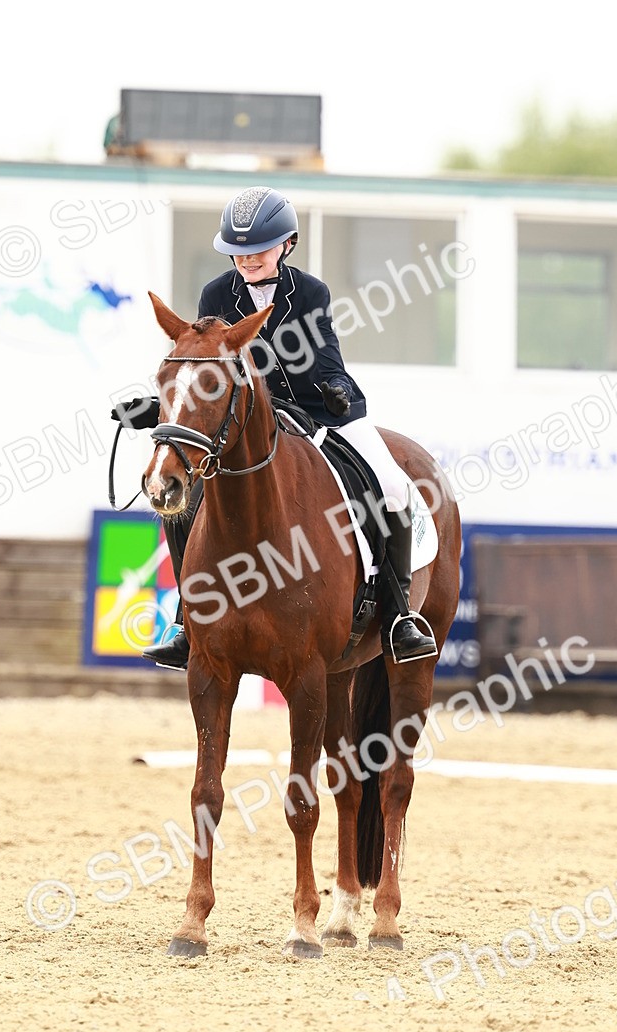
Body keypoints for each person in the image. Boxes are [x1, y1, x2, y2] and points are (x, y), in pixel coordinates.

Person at [135, 185, 437, 670]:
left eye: (258, 249)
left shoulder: (311, 292)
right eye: (238, 251)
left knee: (395, 487)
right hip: (248, 422)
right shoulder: (216, 294)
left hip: (319, 411)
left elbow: (328, 359)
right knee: (186, 498)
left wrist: (336, 387)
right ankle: (183, 620)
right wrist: (155, 408)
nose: (247, 259)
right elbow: (203, 370)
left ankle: (399, 615)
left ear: (286, 245)